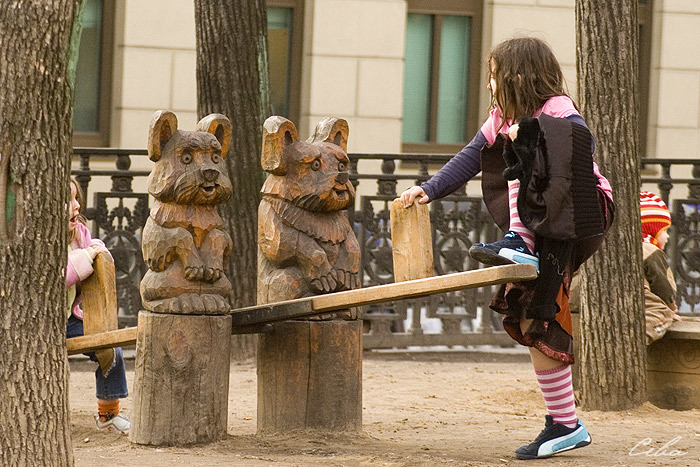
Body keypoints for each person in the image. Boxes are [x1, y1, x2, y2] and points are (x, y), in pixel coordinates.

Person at [400, 37, 614, 460]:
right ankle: (565, 424)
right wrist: (428, 189)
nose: (490, 84)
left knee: (523, 143)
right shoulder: (501, 116)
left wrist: (531, 134)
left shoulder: (557, 109)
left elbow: (579, 147)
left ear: (518, 75)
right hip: (549, 222)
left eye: (495, 75)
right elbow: (470, 157)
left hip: (583, 212)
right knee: (531, 305)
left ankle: (521, 242)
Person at [66, 178, 130, 434]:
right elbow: (56, 276)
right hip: (44, 322)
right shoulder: (39, 240)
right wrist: (84, 257)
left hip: (71, 316)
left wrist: (96, 251)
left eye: (76, 198)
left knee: (109, 348)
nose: (76, 206)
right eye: (68, 201)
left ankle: (108, 415)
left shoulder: (78, 232)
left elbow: (96, 249)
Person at [640, 191, 680, 344]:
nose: (668, 236)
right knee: (660, 313)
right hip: (639, 295)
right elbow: (663, 285)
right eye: (665, 230)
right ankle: (636, 341)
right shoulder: (649, 249)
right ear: (652, 229)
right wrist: (670, 307)